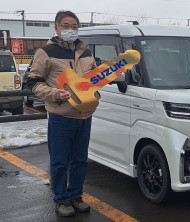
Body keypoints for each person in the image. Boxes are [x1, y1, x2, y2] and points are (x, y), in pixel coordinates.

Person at [26, 10, 98, 217]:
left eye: (75, 26)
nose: (71, 30)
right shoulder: (46, 52)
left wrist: (96, 91)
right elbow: (33, 82)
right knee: (59, 161)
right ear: (56, 28)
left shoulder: (85, 51)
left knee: (80, 159)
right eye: (66, 26)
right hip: (61, 116)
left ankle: (76, 195)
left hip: (85, 115)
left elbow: (93, 77)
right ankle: (61, 199)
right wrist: (55, 94)